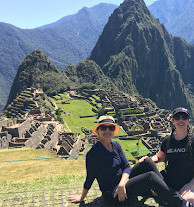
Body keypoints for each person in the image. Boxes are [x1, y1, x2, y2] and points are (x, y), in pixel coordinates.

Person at [67, 115, 192, 206]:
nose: (107, 131)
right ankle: (181, 203)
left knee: (147, 162)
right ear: (98, 131)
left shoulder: (116, 145)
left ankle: (165, 192)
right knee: (150, 177)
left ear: (113, 131)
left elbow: (126, 166)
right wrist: (81, 197)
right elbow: (90, 178)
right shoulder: (93, 154)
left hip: (123, 183)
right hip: (113, 194)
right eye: (103, 128)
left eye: (110, 128)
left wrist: (122, 183)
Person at [139, 107, 194, 206]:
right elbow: (159, 157)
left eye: (184, 117)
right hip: (167, 180)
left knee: (188, 198)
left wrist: (190, 184)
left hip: (186, 182)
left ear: (188, 121)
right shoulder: (168, 140)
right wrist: (148, 159)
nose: (180, 120)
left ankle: (168, 197)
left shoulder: (193, 141)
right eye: (177, 117)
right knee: (146, 168)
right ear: (173, 121)